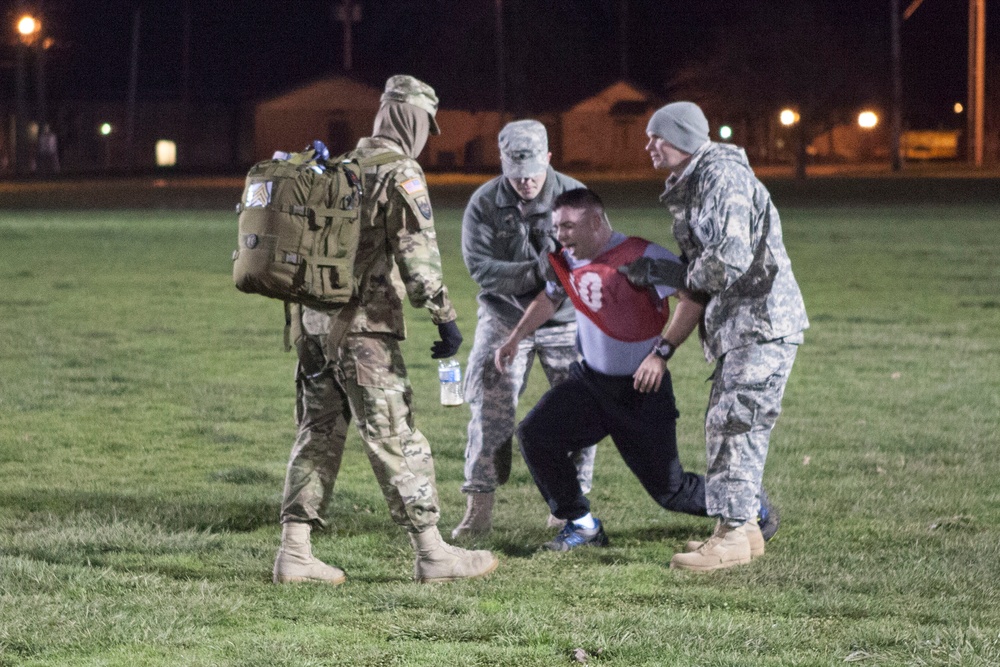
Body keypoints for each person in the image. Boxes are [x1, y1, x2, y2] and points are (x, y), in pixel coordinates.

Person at [272, 75, 498, 585]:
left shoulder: (337, 165)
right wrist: (445, 317)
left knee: (318, 434)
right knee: (395, 436)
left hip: (312, 327)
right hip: (364, 332)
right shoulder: (400, 171)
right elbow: (418, 258)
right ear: (414, 120)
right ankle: (434, 554)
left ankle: (294, 553)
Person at [619, 101, 808, 572]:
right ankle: (743, 531)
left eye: (656, 137)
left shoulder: (722, 177)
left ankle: (729, 535)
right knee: (733, 422)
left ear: (681, 138)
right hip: (747, 326)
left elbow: (729, 258)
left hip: (759, 323)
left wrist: (674, 273)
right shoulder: (702, 179)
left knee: (733, 424)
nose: (648, 146)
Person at [495, 187, 713, 552]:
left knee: (671, 492)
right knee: (536, 435)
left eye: (567, 226)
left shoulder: (642, 254)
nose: (559, 235)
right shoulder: (567, 258)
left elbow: (691, 300)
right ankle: (582, 526)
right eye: (556, 226)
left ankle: (748, 504)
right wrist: (516, 336)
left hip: (640, 393)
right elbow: (551, 295)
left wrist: (660, 354)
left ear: (595, 222)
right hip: (590, 384)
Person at [453, 119, 596, 538]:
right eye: (517, 176)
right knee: (488, 411)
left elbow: (587, 263)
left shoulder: (575, 199)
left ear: (549, 159)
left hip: (567, 321)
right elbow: (482, 269)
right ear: (502, 164)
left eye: (534, 173)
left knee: (580, 413)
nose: (526, 183)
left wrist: (557, 277)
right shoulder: (483, 203)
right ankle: (478, 507)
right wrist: (537, 271)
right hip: (503, 317)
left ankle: (568, 508)